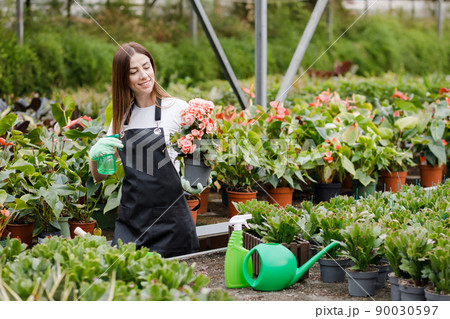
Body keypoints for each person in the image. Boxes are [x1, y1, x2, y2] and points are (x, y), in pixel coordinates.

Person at [89, 42, 199, 258]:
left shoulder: (177, 109)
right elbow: (101, 175)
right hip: (132, 223)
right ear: (123, 78)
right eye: (133, 71)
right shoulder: (121, 119)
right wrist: (95, 156)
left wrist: (197, 179)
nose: (143, 75)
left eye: (146, 67)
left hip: (172, 222)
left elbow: (203, 151)